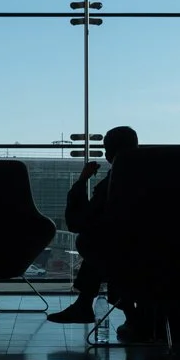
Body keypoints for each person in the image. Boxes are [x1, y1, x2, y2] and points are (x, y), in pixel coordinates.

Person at [46, 125, 139, 324]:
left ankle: (86, 305)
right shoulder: (151, 176)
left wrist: (81, 181)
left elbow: (82, 221)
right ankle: (127, 314)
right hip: (160, 247)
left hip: (122, 250)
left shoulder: (114, 183)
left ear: (110, 153)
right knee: (107, 242)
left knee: (97, 242)